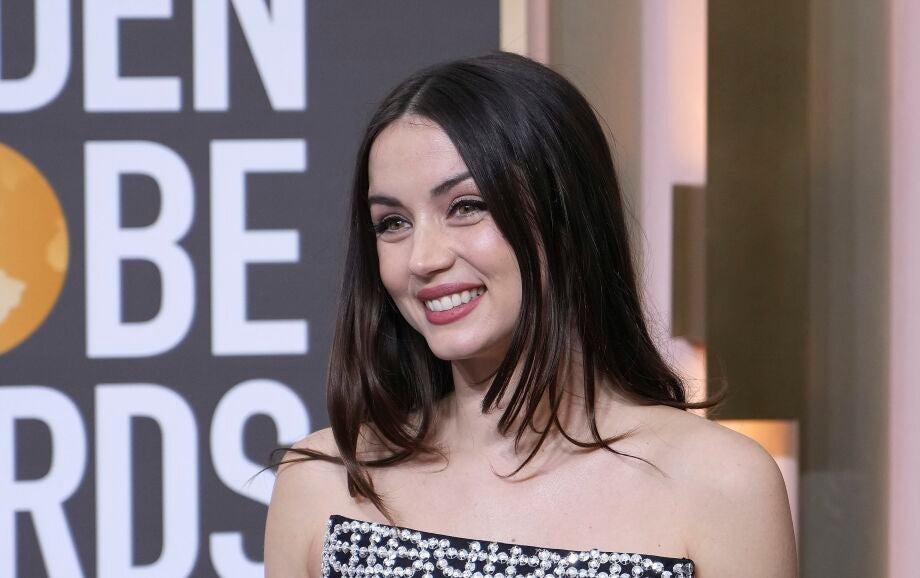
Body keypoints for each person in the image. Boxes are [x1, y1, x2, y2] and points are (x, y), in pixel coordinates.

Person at [264, 51, 797, 578]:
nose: (422, 259)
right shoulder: (323, 483)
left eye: (466, 207)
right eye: (393, 222)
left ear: (567, 216)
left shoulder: (719, 483)